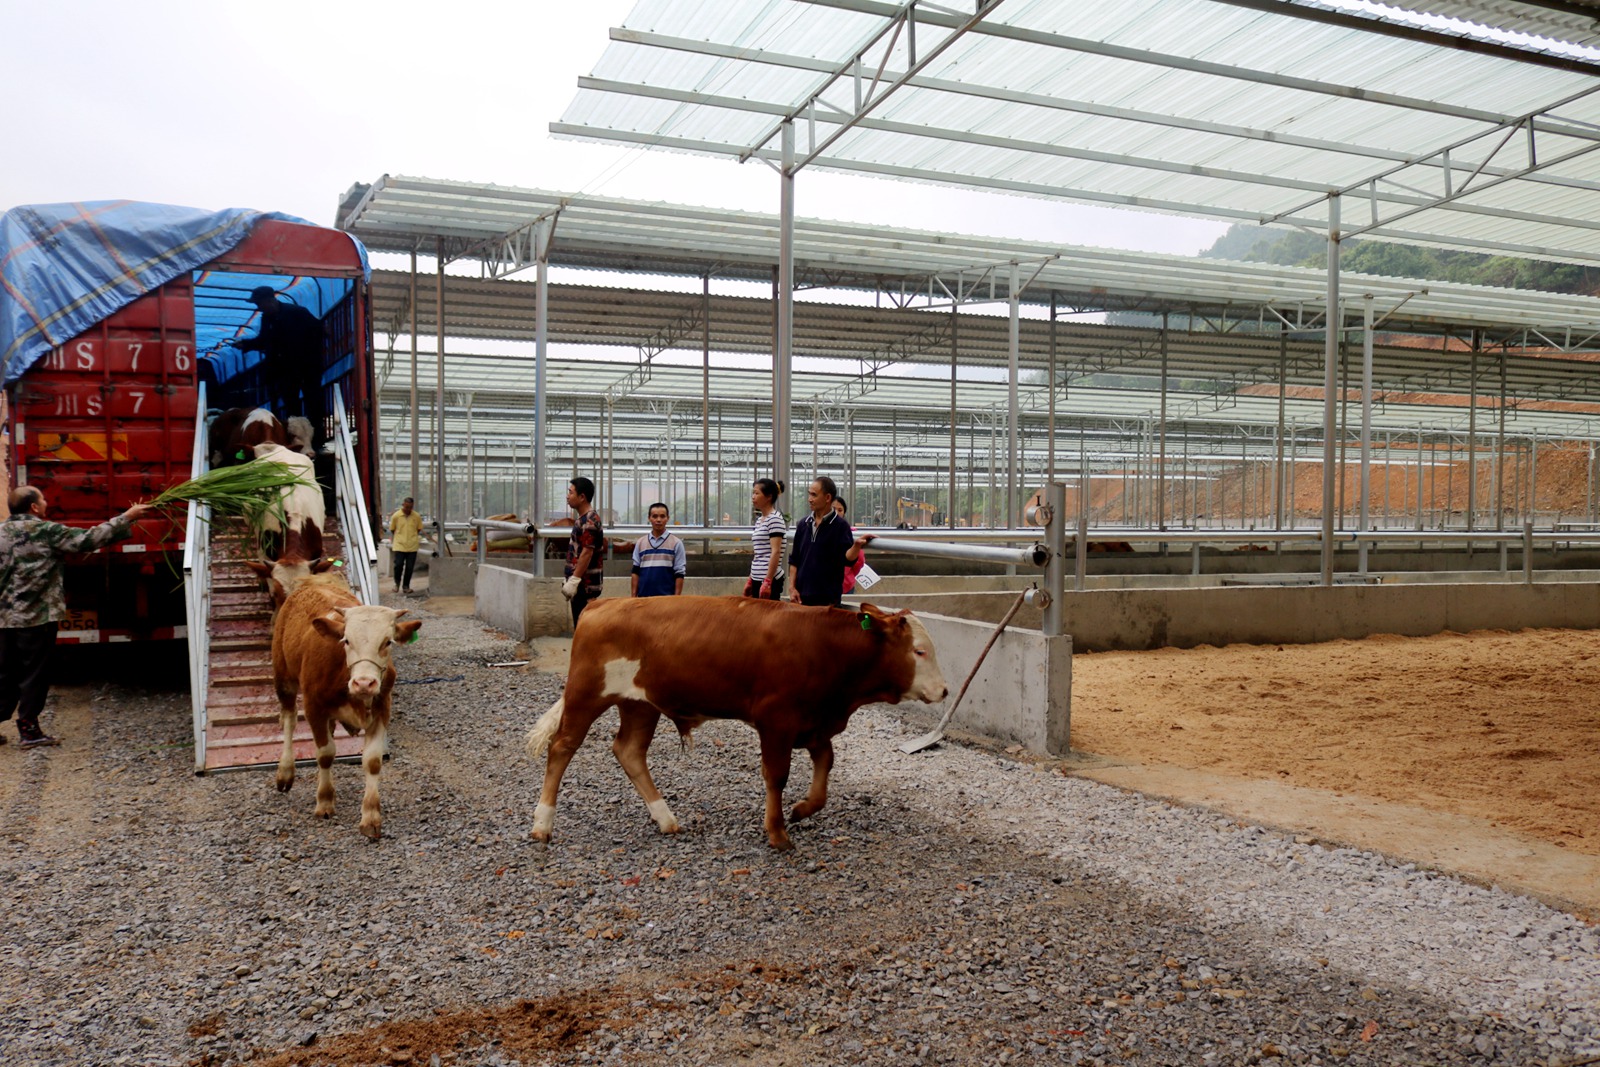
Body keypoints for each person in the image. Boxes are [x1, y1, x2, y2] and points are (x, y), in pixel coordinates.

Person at [0, 488, 156, 747]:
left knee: (4, 672)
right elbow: (88, 539)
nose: (46, 502)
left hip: (3, 618)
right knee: (33, 674)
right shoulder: (46, 531)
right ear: (34, 508)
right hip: (36, 618)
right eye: (43, 499)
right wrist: (126, 517)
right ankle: (29, 730)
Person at [236, 286, 326, 446]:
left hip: (307, 367)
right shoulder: (266, 319)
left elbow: (319, 331)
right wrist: (246, 344)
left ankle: (318, 439)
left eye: (259, 303)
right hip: (285, 370)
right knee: (291, 404)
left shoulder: (297, 312)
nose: (258, 307)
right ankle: (295, 440)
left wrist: (310, 356)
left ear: (269, 301)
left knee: (313, 401)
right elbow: (264, 340)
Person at [789, 476, 868, 608]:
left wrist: (857, 545)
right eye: (809, 494)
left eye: (814, 495)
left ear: (827, 498)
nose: (809, 499)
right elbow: (795, 559)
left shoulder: (840, 526)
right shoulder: (803, 524)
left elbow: (847, 559)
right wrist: (792, 588)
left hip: (827, 601)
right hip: (801, 598)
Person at [560, 477, 605, 626]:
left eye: (571, 492)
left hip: (585, 586)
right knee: (579, 626)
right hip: (581, 585)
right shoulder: (582, 519)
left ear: (582, 497)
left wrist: (574, 580)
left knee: (583, 627)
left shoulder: (590, 521)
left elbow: (587, 552)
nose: (567, 496)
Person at [630, 502, 686, 597]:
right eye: (655, 516)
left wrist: (676, 599)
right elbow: (635, 571)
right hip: (643, 599)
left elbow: (679, 573)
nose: (658, 520)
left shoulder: (676, 543)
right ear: (649, 518)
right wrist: (633, 596)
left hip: (666, 601)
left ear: (667, 518)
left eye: (662, 516)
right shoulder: (640, 543)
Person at [744, 478, 786, 600]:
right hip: (757, 577)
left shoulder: (775, 519)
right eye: (753, 493)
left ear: (769, 497)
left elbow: (775, 551)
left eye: (757, 493)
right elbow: (759, 554)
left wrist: (768, 581)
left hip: (768, 579)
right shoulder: (760, 520)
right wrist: (751, 579)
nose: (753, 497)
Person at [833, 497, 873, 595]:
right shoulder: (814, 531)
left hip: (844, 586)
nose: (836, 513)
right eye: (833, 509)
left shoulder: (847, 534)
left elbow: (858, 562)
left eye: (840, 510)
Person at [388, 496, 424, 595]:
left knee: (410, 567)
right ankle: (397, 583)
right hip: (399, 545)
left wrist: (412, 537)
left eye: (410, 507)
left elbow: (419, 529)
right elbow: (392, 529)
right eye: (406, 507)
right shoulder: (396, 516)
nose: (408, 509)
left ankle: (406, 586)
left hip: (412, 545)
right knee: (398, 565)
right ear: (403, 505)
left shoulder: (416, 516)